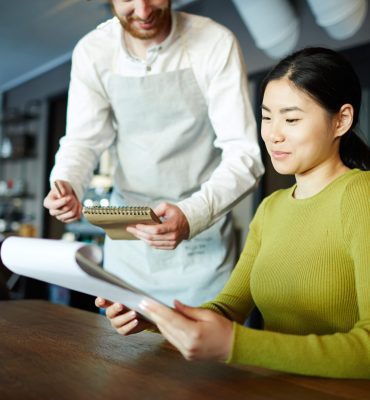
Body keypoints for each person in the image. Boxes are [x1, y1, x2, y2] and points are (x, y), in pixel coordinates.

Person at [98, 47, 370, 379]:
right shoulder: (271, 208)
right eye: (267, 117)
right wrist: (155, 318)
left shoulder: (361, 195)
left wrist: (236, 346)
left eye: (292, 118)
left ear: (341, 120)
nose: (273, 133)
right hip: (272, 388)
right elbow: (228, 309)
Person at [43, 0, 264, 306]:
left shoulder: (215, 41)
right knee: (121, 350)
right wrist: (66, 182)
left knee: (203, 352)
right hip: (128, 249)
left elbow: (245, 156)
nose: (144, 11)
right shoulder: (93, 51)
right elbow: (83, 140)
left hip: (202, 245)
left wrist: (192, 214)